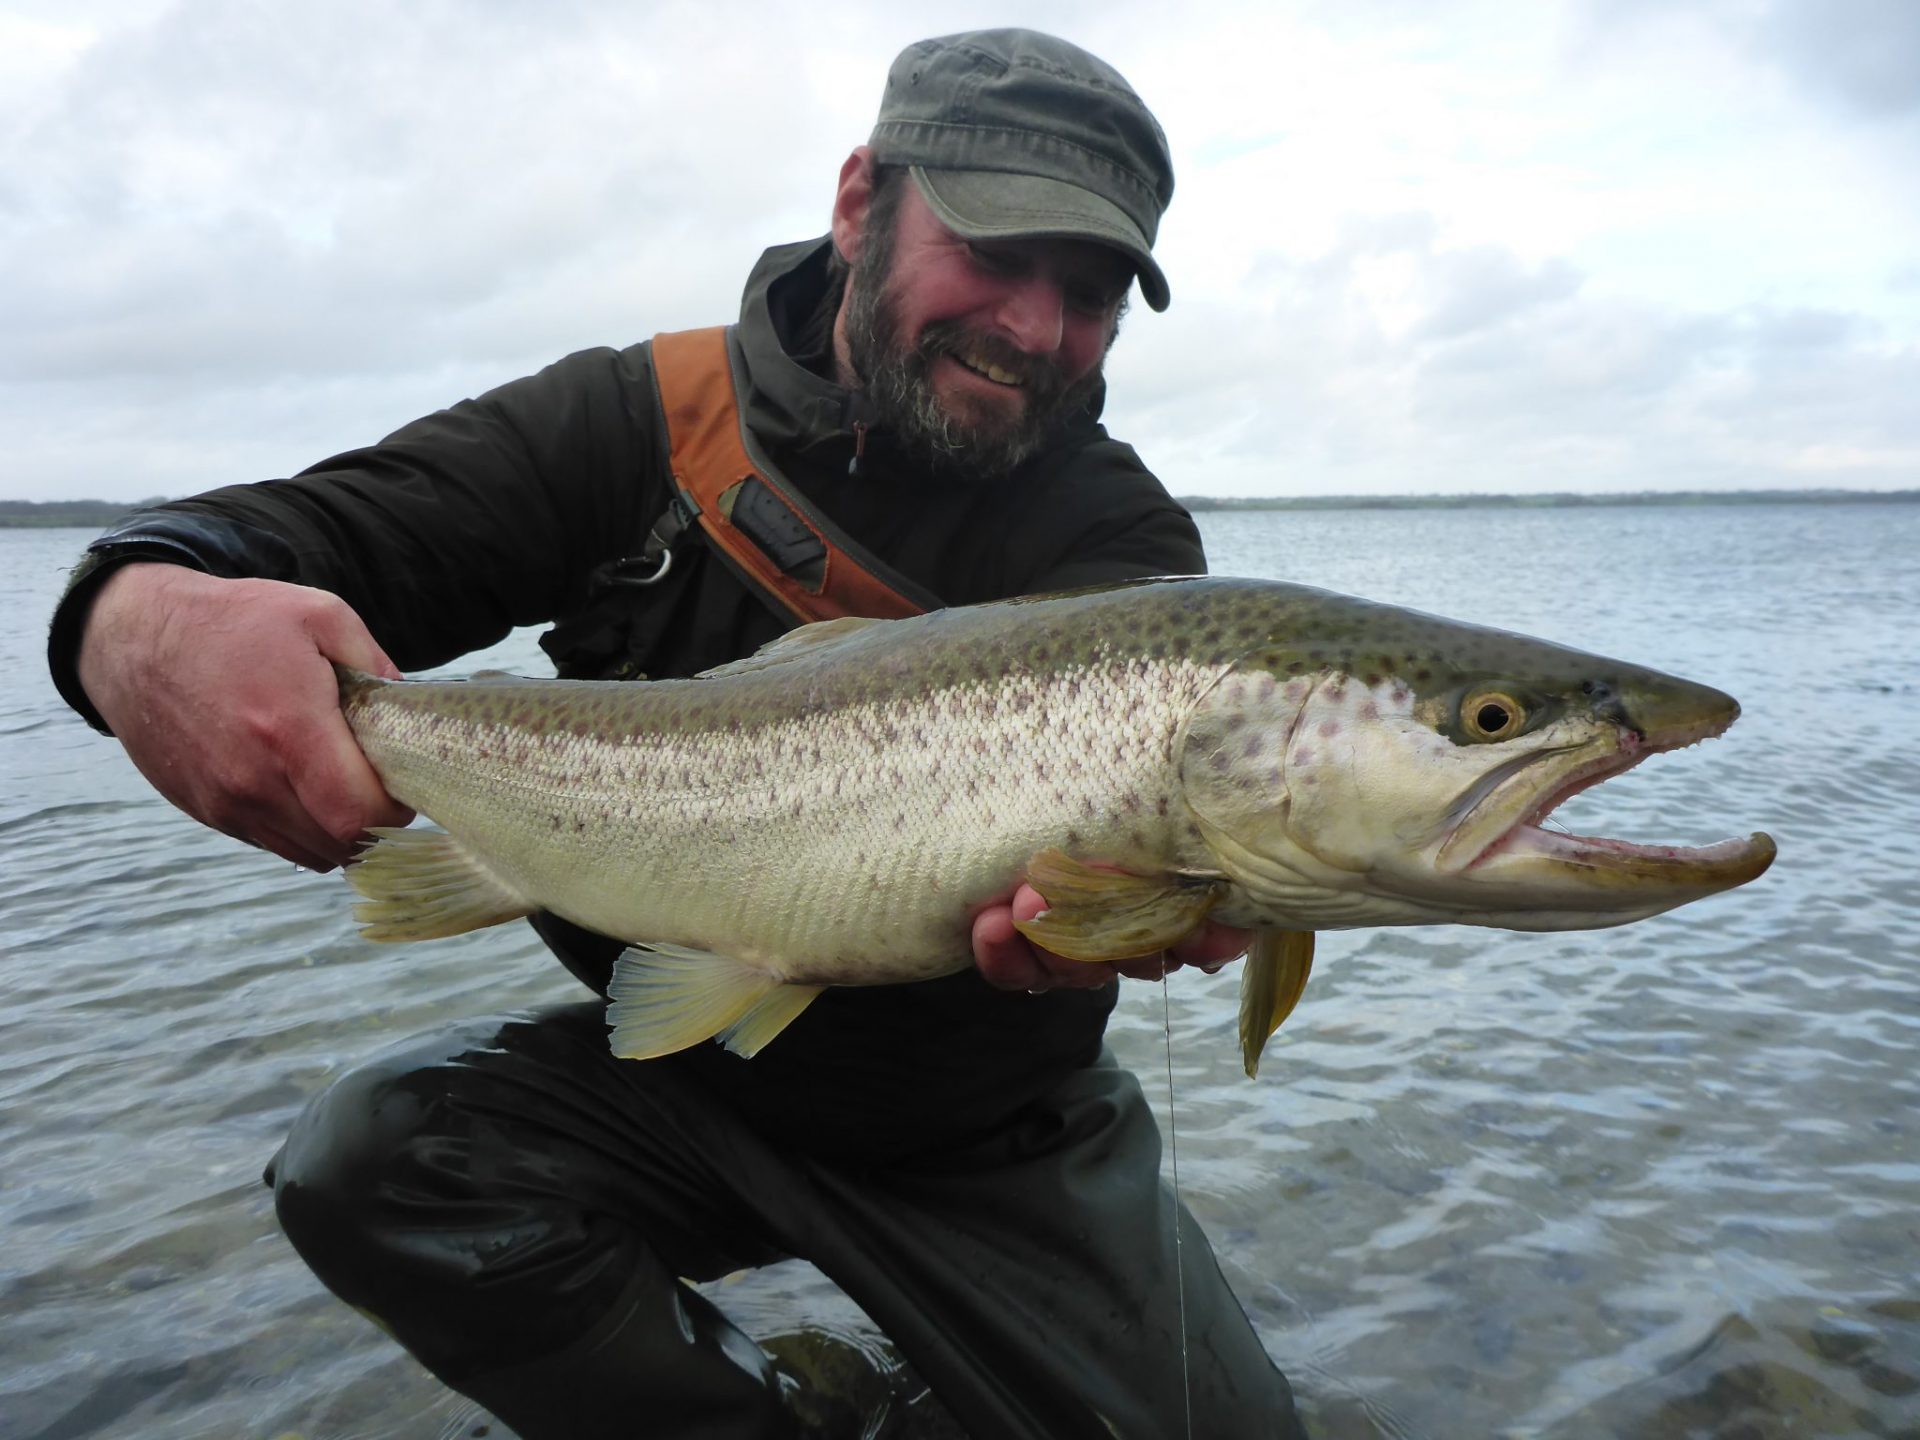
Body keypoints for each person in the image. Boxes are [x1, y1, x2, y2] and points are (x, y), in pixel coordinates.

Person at [48, 28, 1308, 1440]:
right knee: (374, 1165)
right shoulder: (635, 426)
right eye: (997, 252)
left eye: (1088, 294)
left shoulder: (1119, 539)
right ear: (860, 203)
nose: (1032, 327)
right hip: (677, 1087)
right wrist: (132, 615)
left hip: (992, 1138)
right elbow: (285, 539)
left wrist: (1179, 885)